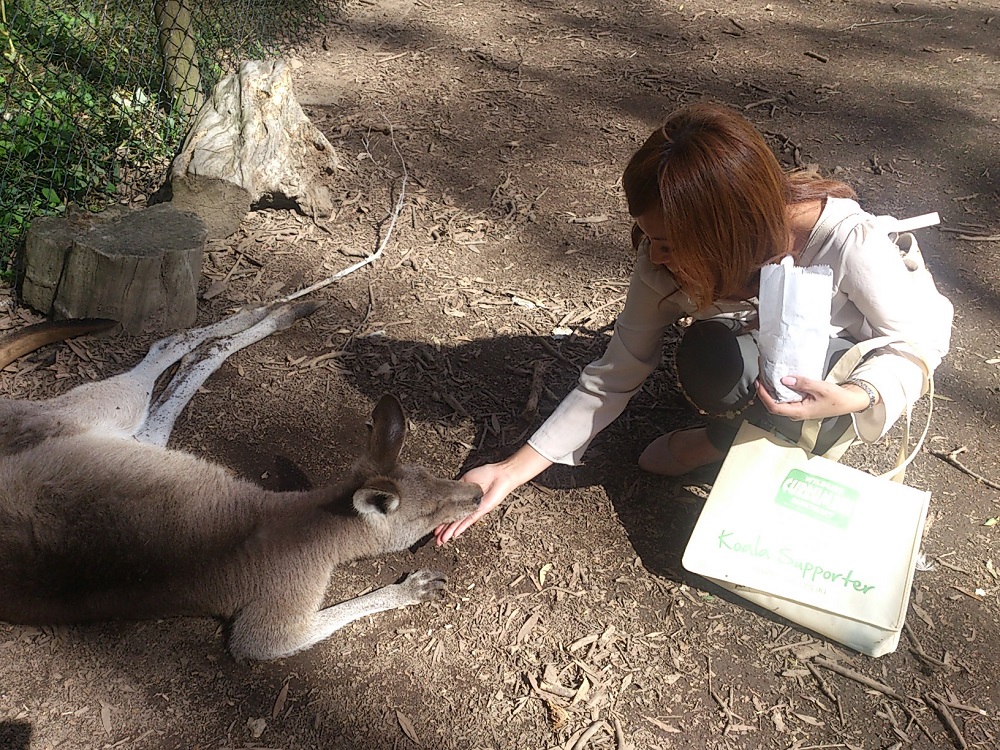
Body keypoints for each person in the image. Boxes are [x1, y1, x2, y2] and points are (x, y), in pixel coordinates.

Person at [434, 102, 953, 546]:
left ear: (728, 231)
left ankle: (755, 437)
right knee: (715, 359)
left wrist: (860, 395)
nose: (655, 255)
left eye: (671, 240)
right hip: (751, 348)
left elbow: (921, 338)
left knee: (794, 376)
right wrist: (510, 469)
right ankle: (733, 432)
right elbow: (616, 371)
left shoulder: (843, 240)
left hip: (844, 356)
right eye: (647, 233)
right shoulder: (660, 260)